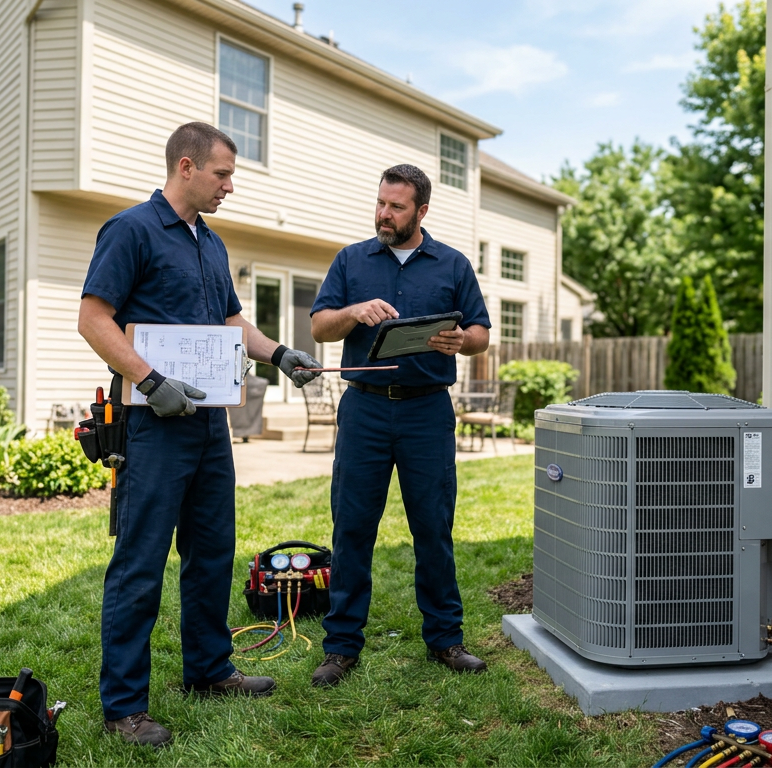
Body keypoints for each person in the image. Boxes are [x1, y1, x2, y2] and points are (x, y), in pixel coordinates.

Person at [77, 121, 321, 747]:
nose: (229, 186)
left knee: (212, 552)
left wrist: (279, 353)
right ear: (186, 167)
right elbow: (94, 318)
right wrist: (148, 379)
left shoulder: (210, 243)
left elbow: (231, 321)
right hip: (153, 425)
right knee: (140, 563)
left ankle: (209, 671)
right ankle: (124, 708)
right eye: (222, 174)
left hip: (211, 425)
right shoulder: (131, 230)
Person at [308, 164, 491, 687]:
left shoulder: (452, 264)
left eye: (396, 206)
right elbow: (319, 326)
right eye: (381, 203)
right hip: (364, 410)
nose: (384, 214)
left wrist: (462, 341)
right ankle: (341, 646)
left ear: (421, 211)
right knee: (352, 527)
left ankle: (446, 639)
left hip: (426, 411)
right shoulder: (351, 260)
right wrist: (354, 311)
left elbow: (480, 332)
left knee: (433, 527)